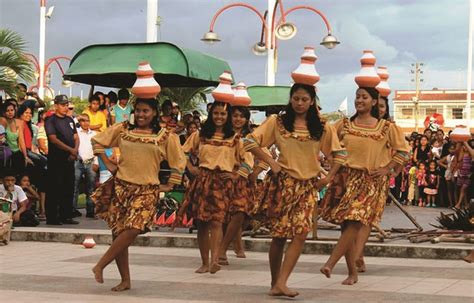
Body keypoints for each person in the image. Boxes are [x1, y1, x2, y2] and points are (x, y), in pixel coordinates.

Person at [244, 81, 346, 296]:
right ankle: (275, 283)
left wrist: (328, 178)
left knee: (300, 234)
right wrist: (270, 161)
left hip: (308, 186)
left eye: (305, 99)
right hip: (283, 184)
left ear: (312, 102)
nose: (300, 103)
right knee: (279, 236)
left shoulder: (322, 126)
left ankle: (282, 281)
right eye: (296, 98)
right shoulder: (277, 122)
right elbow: (250, 141)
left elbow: (339, 155)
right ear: (291, 99)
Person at [91, 72, 185, 292]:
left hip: (147, 189)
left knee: (133, 228)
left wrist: (170, 184)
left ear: (154, 113)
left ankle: (100, 264)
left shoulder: (164, 136)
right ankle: (125, 280)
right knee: (118, 233)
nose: (141, 114)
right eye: (139, 110)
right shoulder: (123, 129)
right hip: (121, 186)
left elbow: (178, 160)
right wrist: (108, 162)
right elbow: (97, 141)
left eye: (146, 111)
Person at [320, 79, 409, 285]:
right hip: (345, 178)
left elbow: (404, 151)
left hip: (370, 180)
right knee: (346, 226)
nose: (360, 100)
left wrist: (387, 168)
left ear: (374, 101)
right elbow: (327, 141)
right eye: (358, 96)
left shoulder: (386, 127)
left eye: (364, 97)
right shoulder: (344, 124)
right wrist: (334, 161)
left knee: (354, 220)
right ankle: (353, 273)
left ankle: (330, 263)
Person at [177, 99, 247, 275]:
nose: (219, 117)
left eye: (223, 114)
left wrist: (235, 175)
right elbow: (181, 151)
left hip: (223, 184)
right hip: (203, 180)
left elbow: (247, 161)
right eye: (216, 113)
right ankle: (204, 262)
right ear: (210, 114)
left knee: (217, 221)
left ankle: (215, 259)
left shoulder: (235, 138)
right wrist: (191, 168)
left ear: (228, 116)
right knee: (201, 223)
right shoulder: (200, 135)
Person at [45, 95, 79, 225]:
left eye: (66, 105)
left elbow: (76, 137)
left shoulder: (69, 119)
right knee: (55, 188)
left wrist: (75, 150)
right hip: (56, 159)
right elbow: (53, 139)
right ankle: (52, 217)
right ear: (56, 105)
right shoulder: (51, 120)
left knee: (68, 187)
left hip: (69, 160)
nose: (65, 107)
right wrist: (69, 150)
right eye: (62, 105)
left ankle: (66, 215)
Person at [73, 114, 97, 218]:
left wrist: (96, 162)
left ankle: (90, 211)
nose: (86, 123)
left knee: (91, 188)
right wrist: (77, 118)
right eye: (83, 121)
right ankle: (72, 210)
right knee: (75, 187)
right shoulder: (77, 132)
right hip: (78, 162)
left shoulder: (94, 134)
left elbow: (97, 149)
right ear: (80, 122)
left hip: (91, 162)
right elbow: (71, 124)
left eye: (87, 121)